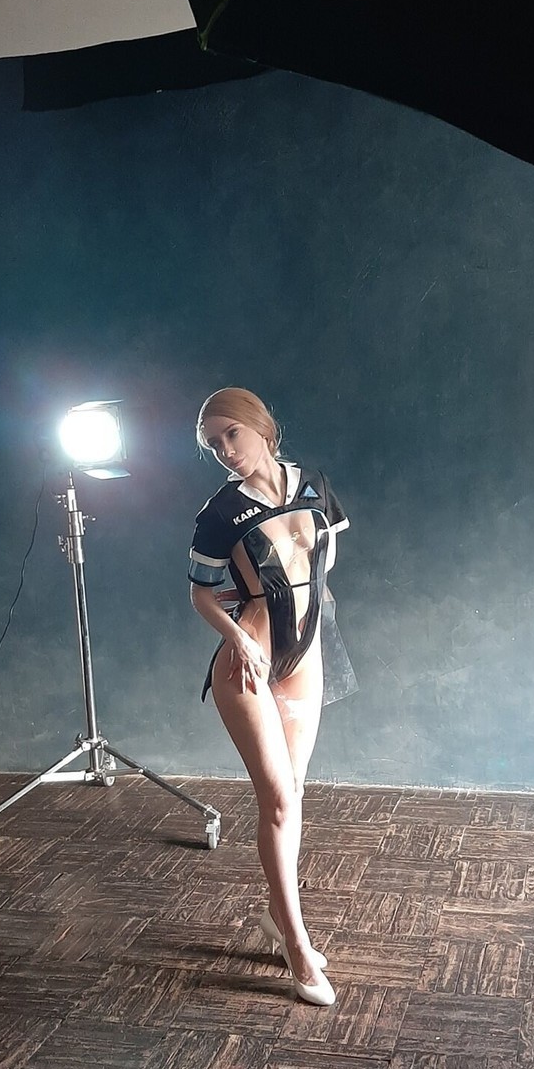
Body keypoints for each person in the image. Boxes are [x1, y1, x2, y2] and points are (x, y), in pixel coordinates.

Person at [188, 388, 350, 1006]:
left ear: (262, 427)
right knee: (278, 801)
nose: (225, 451)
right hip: (249, 664)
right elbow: (201, 593)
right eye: (214, 444)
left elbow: (326, 557)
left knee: (294, 795)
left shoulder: (313, 485)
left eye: (232, 434)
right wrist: (238, 634)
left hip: (306, 655)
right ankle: (299, 950)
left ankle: (278, 921)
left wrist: (302, 604)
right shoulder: (219, 512)